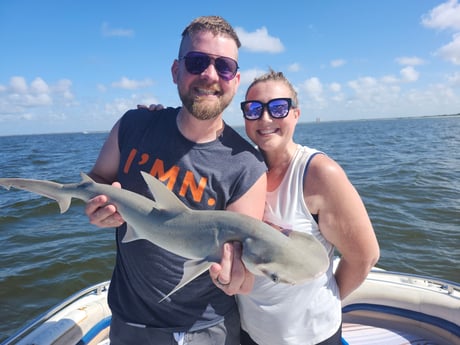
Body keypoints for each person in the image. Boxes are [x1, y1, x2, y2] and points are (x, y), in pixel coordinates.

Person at [84, 16, 267, 345]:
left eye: (223, 67)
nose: (209, 75)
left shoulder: (247, 166)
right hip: (128, 323)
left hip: (206, 329)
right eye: (197, 62)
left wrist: (239, 278)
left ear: (235, 80)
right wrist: (98, 206)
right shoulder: (133, 125)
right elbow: (97, 180)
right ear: (175, 71)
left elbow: (243, 261)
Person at [235, 70, 380, 345]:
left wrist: (321, 299)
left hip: (311, 337)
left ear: (295, 114)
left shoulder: (319, 173)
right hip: (250, 332)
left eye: (278, 108)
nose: (265, 119)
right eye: (253, 109)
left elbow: (365, 257)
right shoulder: (242, 169)